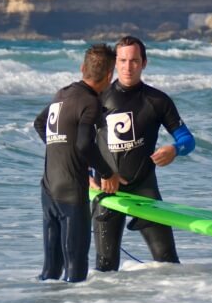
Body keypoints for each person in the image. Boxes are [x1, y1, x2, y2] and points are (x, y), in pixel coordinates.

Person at [92, 35, 196, 271]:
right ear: (115, 64)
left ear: (144, 63)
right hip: (107, 189)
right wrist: (88, 175)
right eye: (123, 61)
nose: (128, 67)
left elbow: (187, 139)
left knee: (169, 263)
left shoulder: (157, 100)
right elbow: (80, 143)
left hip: (144, 188)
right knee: (105, 268)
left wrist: (174, 149)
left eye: (134, 61)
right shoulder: (98, 99)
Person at [33, 43, 121, 283]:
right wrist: (107, 173)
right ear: (110, 75)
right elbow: (84, 144)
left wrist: (60, 148)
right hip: (71, 192)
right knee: (75, 268)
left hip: (48, 188)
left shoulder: (61, 94)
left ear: (83, 68)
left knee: (50, 269)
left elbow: (40, 123)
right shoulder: (90, 102)